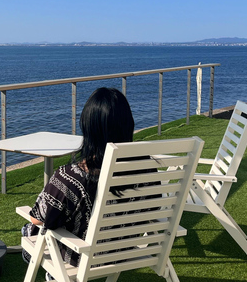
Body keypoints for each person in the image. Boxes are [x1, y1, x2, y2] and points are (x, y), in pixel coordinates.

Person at [22, 87, 156, 271]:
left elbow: (38, 218)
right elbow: (154, 207)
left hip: (83, 256)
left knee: (30, 230)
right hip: (124, 250)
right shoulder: (146, 168)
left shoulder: (70, 177)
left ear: (88, 128)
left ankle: (54, 275)